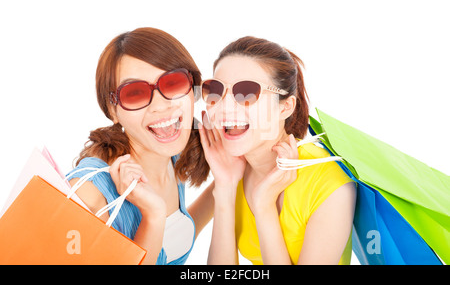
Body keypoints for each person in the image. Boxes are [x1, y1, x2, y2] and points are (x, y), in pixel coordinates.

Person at [199, 36, 356, 265]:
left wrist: (264, 208)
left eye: (246, 93)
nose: (224, 107)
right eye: (215, 91)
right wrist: (225, 187)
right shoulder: (234, 171)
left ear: (285, 106)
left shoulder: (329, 184)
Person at [66, 27, 213, 265]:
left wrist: (226, 184)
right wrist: (152, 217)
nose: (161, 105)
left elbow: (173, 239)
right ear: (113, 110)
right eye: (134, 93)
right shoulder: (89, 194)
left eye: (173, 83)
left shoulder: (170, 158)